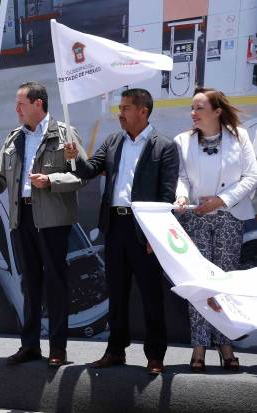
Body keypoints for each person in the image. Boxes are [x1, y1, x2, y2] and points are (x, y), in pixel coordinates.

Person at [0, 81, 86, 367]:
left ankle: (58, 349)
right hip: (22, 219)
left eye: (21, 104)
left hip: (53, 221)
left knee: (56, 284)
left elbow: (82, 175)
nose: (17, 109)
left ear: (38, 104)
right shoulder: (14, 138)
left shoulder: (65, 134)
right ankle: (30, 346)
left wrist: (51, 180)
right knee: (29, 285)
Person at [64, 88, 179, 375]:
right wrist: (74, 157)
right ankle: (115, 351)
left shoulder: (164, 146)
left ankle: (155, 356)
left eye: (125, 108)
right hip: (115, 226)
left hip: (144, 229)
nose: (120, 114)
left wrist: (156, 234)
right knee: (116, 293)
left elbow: (167, 196)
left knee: (152, 295)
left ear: (143, 111)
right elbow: (88, 170)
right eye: (120, 108)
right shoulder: (113, 141)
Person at [174, 87, 257, 372]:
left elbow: (251, 177)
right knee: (199, 283)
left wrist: (221, 200)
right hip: (196, 218)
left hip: (229, 217)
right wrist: (181, 196)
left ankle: (224, 344)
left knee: (223, 283)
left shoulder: (240, 136)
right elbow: (182, 177)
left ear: (217, 111)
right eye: (192, 108)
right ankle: (199, 345)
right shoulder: (183, 140)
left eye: (199, 108)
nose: (193, 113)